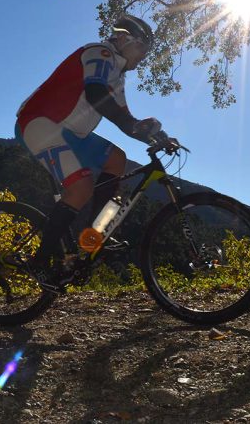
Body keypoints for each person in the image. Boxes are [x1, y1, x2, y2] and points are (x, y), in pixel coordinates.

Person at [14, 14, 168, 291]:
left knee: (117, 159)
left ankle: (94, 236)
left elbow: (124, 118)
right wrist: (135, 125)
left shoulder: (118, 75)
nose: (144, 56)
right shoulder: (100, 52)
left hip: (71, 134)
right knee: (81, 188)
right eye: (142, 48)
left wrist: (155, 135)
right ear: (124, 38)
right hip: (40, 123)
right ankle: (39, 262)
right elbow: (97, 94)